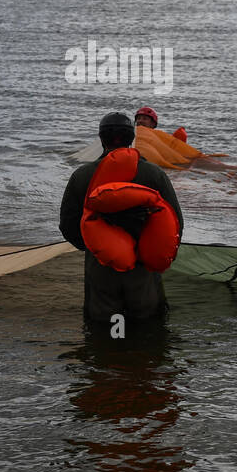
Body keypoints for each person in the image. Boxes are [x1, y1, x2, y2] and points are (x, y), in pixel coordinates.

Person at [59, 112, 183, 325]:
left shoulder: (81, 176)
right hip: (143, 267)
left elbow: (68, 225)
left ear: (101, 139)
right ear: (131, 138)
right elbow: (175, 223)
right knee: (149, 328)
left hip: (100, 267)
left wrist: (95, 245)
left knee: (100, 329)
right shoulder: (154, 174)